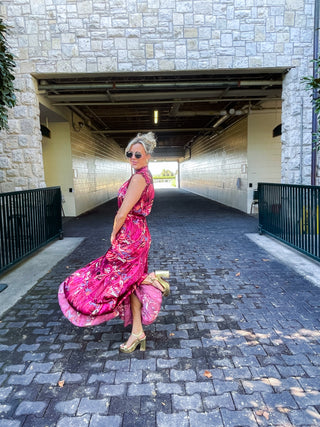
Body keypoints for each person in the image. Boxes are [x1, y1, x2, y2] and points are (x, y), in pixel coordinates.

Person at [58, 132, 170, 354]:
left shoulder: (139, 178)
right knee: (129, 284)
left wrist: (113, 232)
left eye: (138, 154)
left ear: (148, 156)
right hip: (138, 235)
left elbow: (122, 213)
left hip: (130, 236)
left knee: (107, 275)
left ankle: (151, 279)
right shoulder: (144, 175)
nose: (133, 157)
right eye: (130, 153)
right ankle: (137, 331)